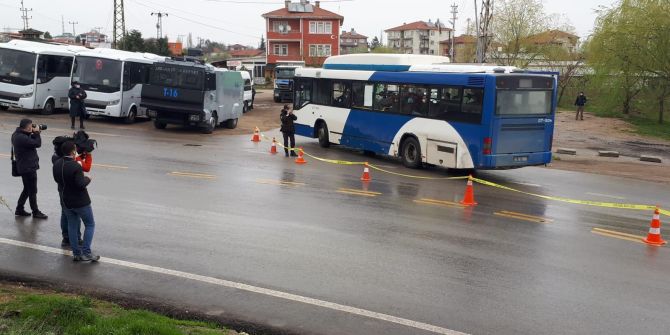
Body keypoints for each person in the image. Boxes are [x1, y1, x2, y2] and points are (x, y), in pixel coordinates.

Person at [53, 141, 99, 262]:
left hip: (66, 200)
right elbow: (80, 184)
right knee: (90, 224)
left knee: (72, 226)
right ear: (73, 151)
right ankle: (87, 252)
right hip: (80, 201)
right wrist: (88, 179)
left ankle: (76, 254)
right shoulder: (75, 166)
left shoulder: (57, 163)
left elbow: (57, 180)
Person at [52, 137, 91, 248]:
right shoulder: (70, 162)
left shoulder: (56, 159)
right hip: (73, 192)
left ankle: (66, 238)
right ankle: (77, 238)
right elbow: (85, 169)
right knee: (75, 216)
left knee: (64, 213)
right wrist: (85, 155)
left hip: (62, 189)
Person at [11, 119, 47, 219]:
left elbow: (30, 140)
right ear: (27, 127)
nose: (33, 127)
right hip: (28, 168)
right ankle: (35, 211)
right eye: (31, 126)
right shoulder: (21, 138)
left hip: (25, 166)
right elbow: (37, 144)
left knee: (27, 189)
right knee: (32, 190)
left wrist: (33, 132)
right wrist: (36, 133)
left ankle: (19, 208)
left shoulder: (17, 134)